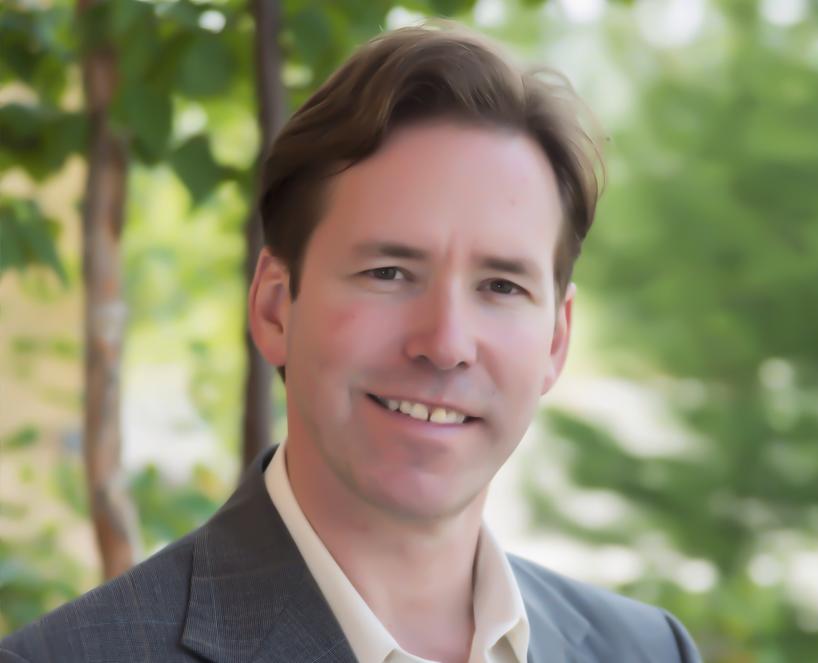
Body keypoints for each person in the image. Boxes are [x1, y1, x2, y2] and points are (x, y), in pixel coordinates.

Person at [1, 23, 701, 663]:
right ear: (276, 307)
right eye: (389, 272)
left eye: (501, 286)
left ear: (557, 339)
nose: (447, 343)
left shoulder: (648, 650)